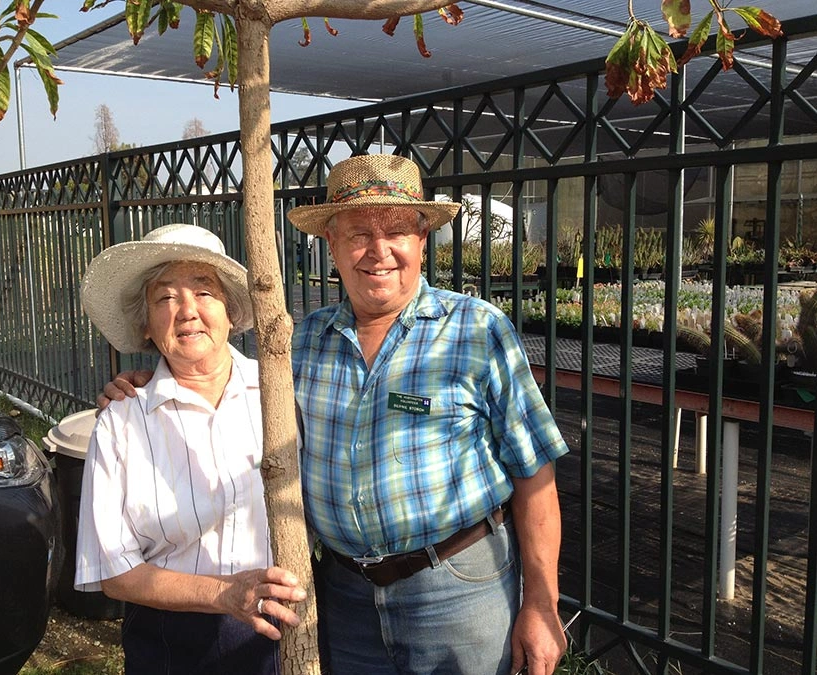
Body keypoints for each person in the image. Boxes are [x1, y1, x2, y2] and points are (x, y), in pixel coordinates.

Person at [101, 155, 570, 675]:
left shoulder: (477, 331)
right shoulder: (302, 345)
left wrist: (542, 604)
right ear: (331, 244)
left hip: (456, 589)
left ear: (421, 238)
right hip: (345, 599)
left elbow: (535, 475)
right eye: (357, 234)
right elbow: (223, 383)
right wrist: (151, 382)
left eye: (396, 231)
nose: (378, 251)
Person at [76, 223, 306, 675]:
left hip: (282, 631)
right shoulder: (122, 422)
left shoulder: (281, 395)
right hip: (168, 643)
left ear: (230, 310)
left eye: (204, 292)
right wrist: (223, 594)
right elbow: (115, 573)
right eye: (165, 298)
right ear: (145, 323)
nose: (187, 311)